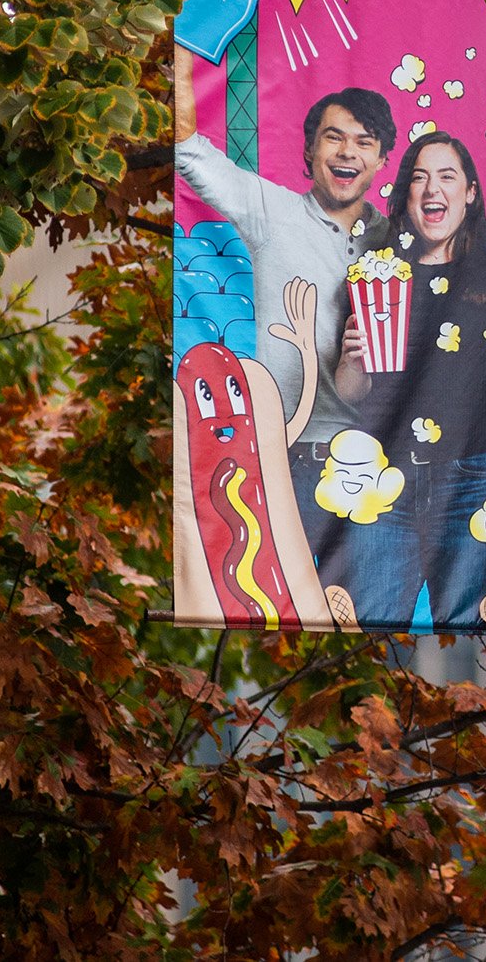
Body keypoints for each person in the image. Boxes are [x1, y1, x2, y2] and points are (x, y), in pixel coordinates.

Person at [173, 44, 397, 585]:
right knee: (268, 599)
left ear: (383, 159)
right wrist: (185, 55)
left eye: (364, 142)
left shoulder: (399, 241)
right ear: (310, 150)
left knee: (375, 619)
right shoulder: (271, 210)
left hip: (374, 463)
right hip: (282, 454)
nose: (348, 152)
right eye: (334, 137)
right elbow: (187, 151)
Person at [337, 130, 486, 629]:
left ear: (470, 192)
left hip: (475, 475)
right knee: (375, 624)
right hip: (387, 475)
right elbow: (349, 394)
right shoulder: (372, 276)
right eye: (420, 178)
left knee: (477, 627)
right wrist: (351, 361)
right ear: (405, 194)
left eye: (447, 176)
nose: (433, 189)